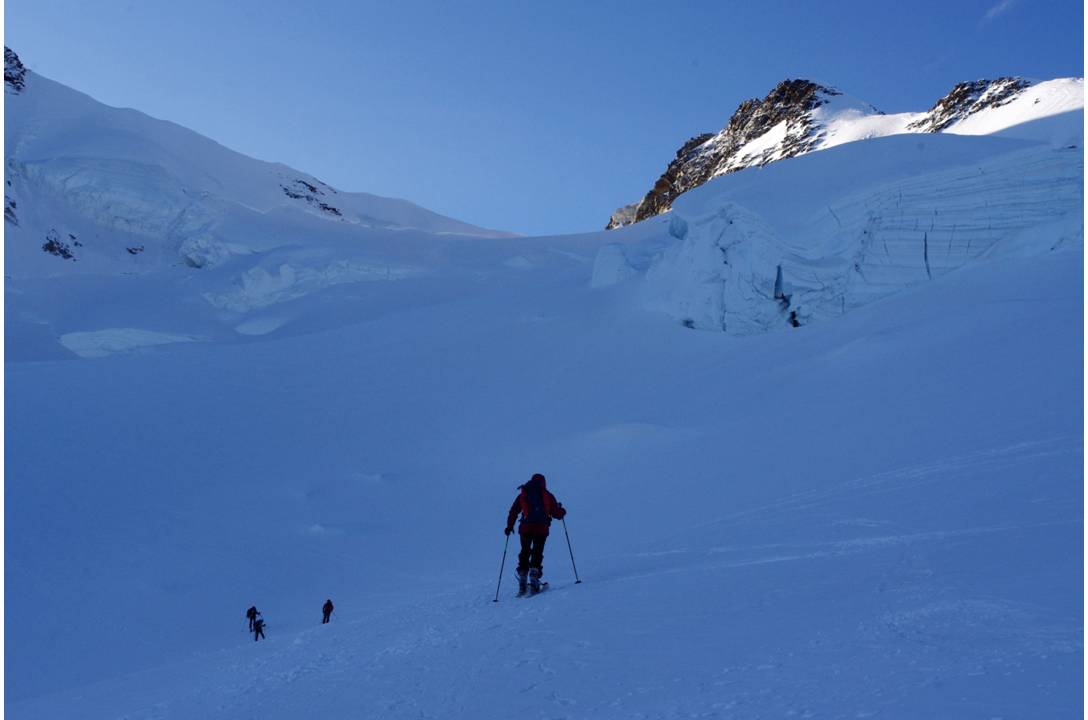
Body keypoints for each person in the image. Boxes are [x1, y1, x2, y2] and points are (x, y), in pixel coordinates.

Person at [505, 473, 566, 594]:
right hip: (541, 528)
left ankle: (522, 581)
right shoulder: (547, 495)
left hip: (525, 528)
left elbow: (514, 510)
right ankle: (534, 580)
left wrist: (509, 526)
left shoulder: (524, 493)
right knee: (537, 552)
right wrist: (562, 511)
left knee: (525, 551)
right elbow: (556, 513)